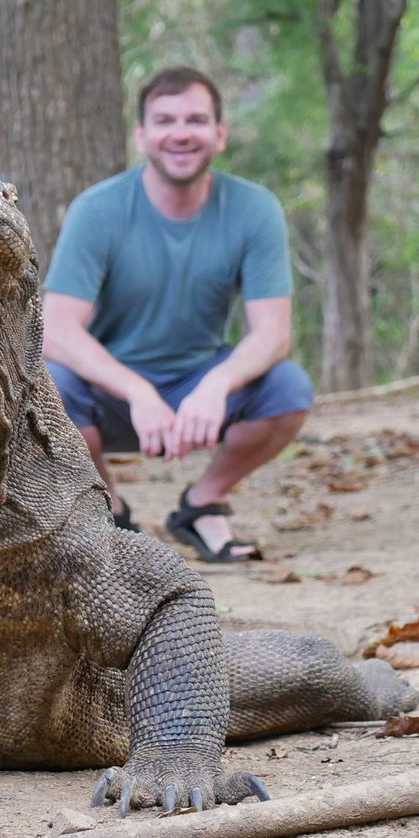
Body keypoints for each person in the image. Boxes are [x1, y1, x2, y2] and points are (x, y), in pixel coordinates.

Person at [42, 66, 312, 563]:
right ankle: (110, 511)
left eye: (196, 120)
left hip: (199, 387)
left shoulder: (254, 209)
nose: (181, 133)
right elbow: (55, 332)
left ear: (220, 134)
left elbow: (272, 334)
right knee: (47, 386)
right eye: (165, 121)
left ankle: (201, 505)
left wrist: (216, 386)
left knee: (288, 388)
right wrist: (139, 392)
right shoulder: (97, 210)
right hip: (112, 393)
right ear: (142, 136)